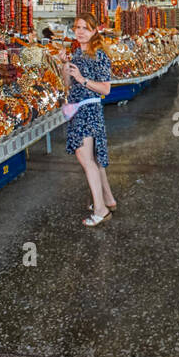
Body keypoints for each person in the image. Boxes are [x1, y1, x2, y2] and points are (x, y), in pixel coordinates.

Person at [60, 16, 117, 226]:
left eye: (86, 28)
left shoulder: (99, 54)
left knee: (86, 160)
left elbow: (106, 88)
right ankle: (108, 200)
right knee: (94, 158)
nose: (81, 31)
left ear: (94, 31)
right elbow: (68, 84)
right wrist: (66, 67)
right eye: (78, 28)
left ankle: (100, 209)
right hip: (77, 108)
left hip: (88, 110)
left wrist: (83, 79)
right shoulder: (77, 53)